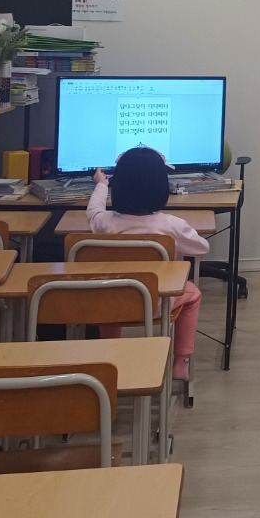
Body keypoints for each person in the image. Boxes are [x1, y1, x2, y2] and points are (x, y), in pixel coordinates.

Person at [90, 146, 209, 381]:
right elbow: (202, 248)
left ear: (118, 186)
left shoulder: (105, 223)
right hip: (155, 303)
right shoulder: (172, 225)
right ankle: (180, 361)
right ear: (161, 187)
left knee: (109, 298)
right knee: (193, 294)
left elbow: (93, 212)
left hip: (110, 300)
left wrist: (101, 184)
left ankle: (111, 356)